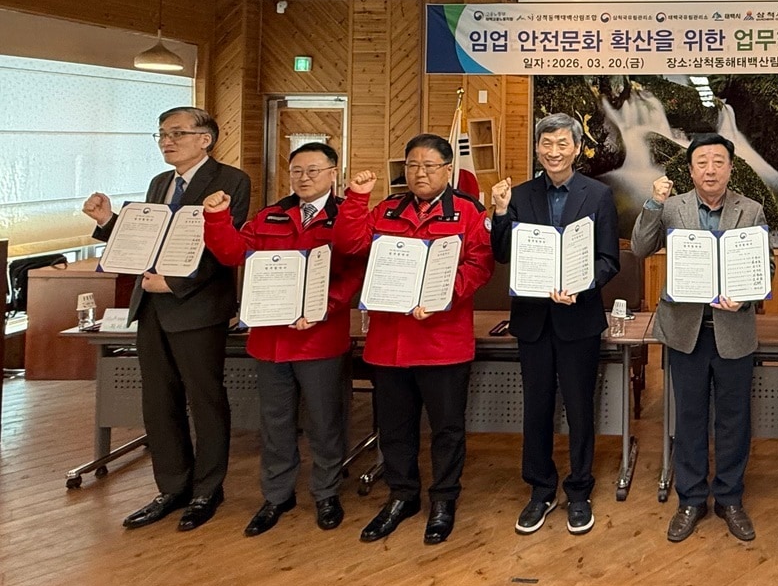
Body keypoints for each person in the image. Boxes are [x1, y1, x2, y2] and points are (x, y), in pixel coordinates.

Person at [82, 107, 251, 532]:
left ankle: (206, 490)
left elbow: (224, 247)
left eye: (176, 133)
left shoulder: (231, 180)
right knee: (158, 402)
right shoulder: (161, 183)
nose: (166, 141)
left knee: (205, 400)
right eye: (160, 134)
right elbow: (150, 236)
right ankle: (172, 487)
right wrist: (107, 222)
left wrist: (175, 283)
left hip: (197, 307)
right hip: (151, 307)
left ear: (205, 139)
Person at [331, 134, 493, 545]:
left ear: (447, 170)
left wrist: (440, 295)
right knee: (395, 428)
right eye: (412, 166)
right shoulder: (386, 209)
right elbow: (347, 245)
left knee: (447, 429)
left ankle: (444, 499)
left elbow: (480, 265)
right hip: (390, 342)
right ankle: (402, 496)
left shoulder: (468, 212)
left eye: (430, 166)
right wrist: (355, 198)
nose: (420, 173)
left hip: (442, 340)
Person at [202, 142, 365, 537]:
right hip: (271, 340)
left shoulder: (346, 215)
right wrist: (217, 218)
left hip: (320, 336)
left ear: (333, 173)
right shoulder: (271, 214)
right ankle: (277, 495)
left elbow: (355, 268)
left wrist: (323, 308)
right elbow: (232, 253)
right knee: (275, 423)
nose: (304, 178)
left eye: (313, 170)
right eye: (296, 171)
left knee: (326, 422)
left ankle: (326, 491)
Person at [631, 133, 769, 543]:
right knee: (688, 419)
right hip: (685, 331)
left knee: (733, 420)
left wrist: (745, 298)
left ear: (731, 167)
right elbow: (639, 247)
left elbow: (766, 269)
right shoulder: (672, 207)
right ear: (690, 170)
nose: (710, 169)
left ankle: (729, 498)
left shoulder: (753, 210)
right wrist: (653, 203)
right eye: (702, 162)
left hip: (733, 330)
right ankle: (690, 498)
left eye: (718, 162)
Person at [489, 113, 620, 536]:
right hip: (532, 319)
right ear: (536, 148)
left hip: (578, 317)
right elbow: (504, 254)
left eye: (563, 144)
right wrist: (501, 213)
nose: (554, 152)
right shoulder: (520, 195)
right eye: (546, 144)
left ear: (577, 149)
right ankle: (540, 489)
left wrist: (582, 285)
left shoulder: (598, 195)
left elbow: (608, 260)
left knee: (581, 408)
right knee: (537, 407)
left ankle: (579, 490)